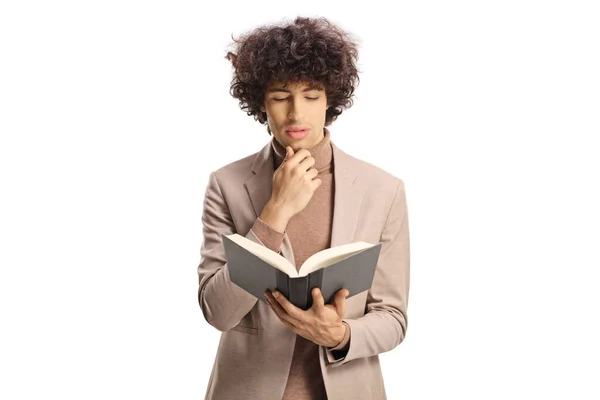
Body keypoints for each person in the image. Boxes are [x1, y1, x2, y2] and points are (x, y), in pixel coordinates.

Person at [197, 16, 410, 400]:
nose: (296, 113)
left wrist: (340, 334)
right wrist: (275, 212)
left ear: (331, 100)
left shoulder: (383, 190)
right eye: (281, 96)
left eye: (311, 95)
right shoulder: (226, 184)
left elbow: (393, 318)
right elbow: (217, 311)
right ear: (261, 101)